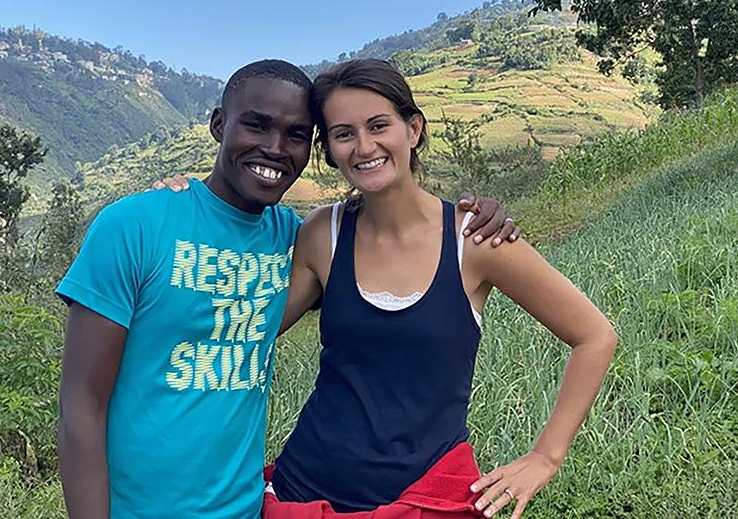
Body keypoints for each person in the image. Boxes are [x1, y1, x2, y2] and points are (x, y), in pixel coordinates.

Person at [57, 59, 518, 519]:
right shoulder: (133, 226)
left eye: (296, 135)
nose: (275, 148)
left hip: (248, 507)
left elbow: (385, 284)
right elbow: (82, 409)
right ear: (219, 124)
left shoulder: (294, 239)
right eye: (256, 125)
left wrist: (475, 219)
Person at [158, 59, 617, 519]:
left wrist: (545, 457)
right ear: (330, 149)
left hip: (423, 501)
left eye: (379, 125)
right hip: (304, 493)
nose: (364, 147)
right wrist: (190, 208)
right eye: (343, 133)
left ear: (413, 129)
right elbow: (244, 326)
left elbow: (594, 336)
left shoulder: (475, 241)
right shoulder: (323, 233)